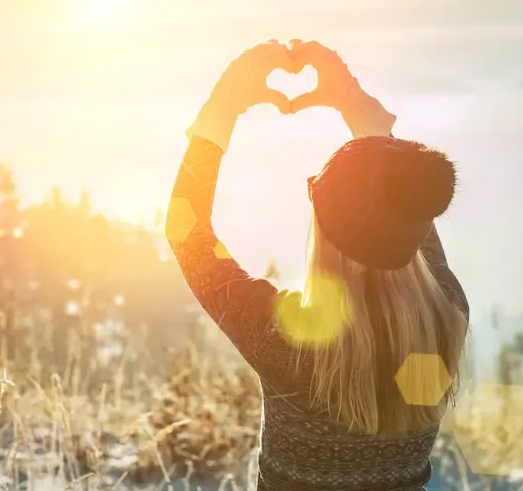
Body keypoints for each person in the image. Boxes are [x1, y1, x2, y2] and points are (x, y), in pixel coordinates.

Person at [165, 39, 470, 491]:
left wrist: (224, 105)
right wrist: (360, 111)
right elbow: (407, 211)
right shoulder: (447, 315)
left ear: (325, 227)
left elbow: (186, 234)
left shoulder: (289, 338)